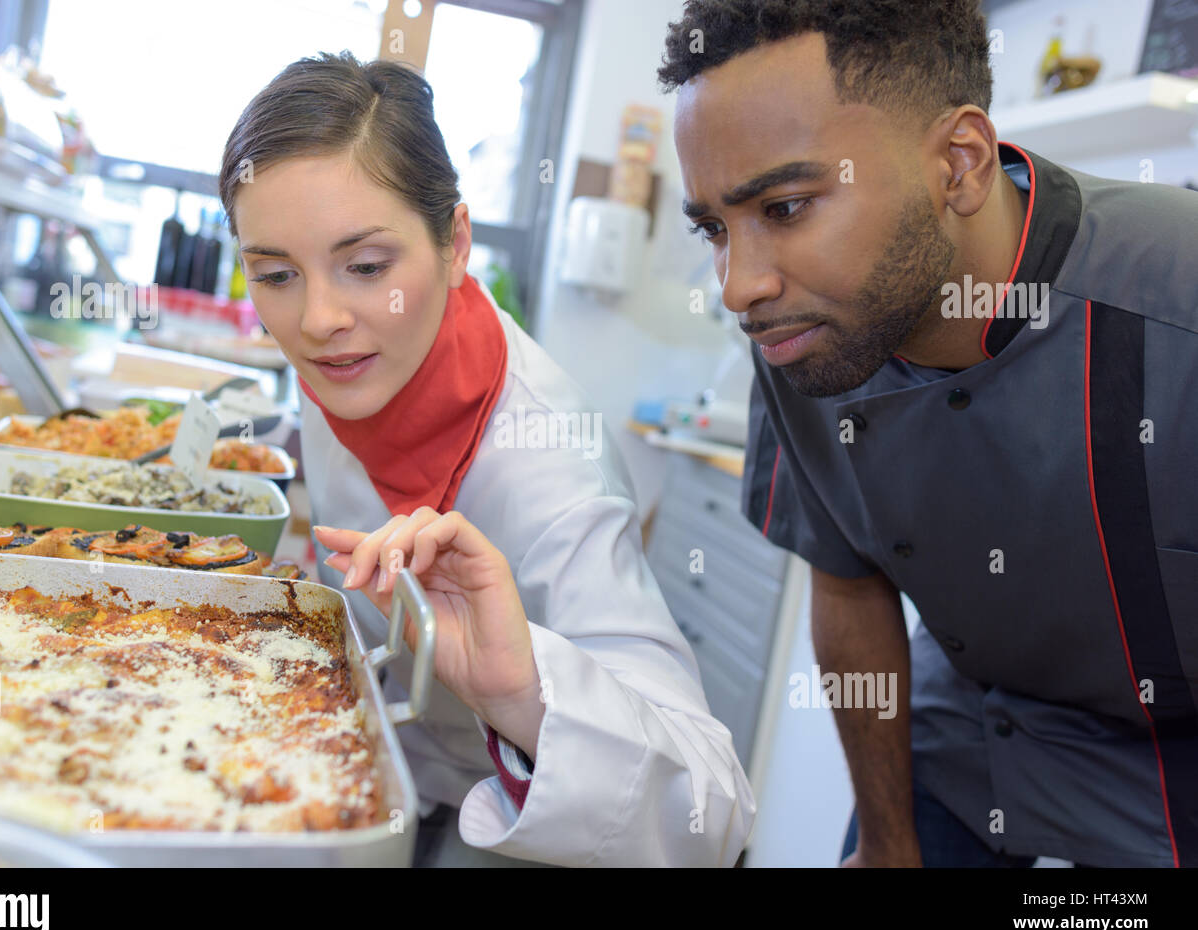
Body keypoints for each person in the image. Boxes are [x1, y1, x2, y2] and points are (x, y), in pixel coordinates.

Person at [660, 0, 1198, 867]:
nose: (739, 285)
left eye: (788, 207)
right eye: (715, 228)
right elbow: (849, 586)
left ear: (958, 163)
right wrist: (886, 844)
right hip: (974, 741)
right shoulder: (802, 336)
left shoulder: (1177, 299)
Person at [218, 51, 755, 866]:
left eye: (366, 267)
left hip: (519, 821)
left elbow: (712, 815)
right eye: (276, 274)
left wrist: (523, 693)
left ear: (456, 242)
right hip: (377, 762)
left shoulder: (547, 460)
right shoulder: (354, 358)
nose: (318, 317)